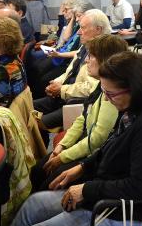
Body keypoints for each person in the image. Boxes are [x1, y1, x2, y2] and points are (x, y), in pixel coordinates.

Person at [7, 51, 142, 226]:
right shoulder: (135, 107)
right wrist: (82, 167)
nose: (106, 99)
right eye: (104, 92)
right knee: (32, 204)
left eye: (111, 94)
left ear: (134, 89)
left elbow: (139, 187)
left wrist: (86, 190)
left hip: (121, 211)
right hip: (106, 194)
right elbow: (110, 148)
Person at [30, 34, 128, 191]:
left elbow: (97, 139)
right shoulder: (101, 85)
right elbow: (83, 118)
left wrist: (63, 157)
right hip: (85, 145)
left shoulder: (113, 95)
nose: (87, 60)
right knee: (36, 171)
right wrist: (61, 146)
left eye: (91, 56)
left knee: (46, 180)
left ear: (106, 60)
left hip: (94, 158)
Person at [33, 9, 111, 131]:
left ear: (98, 29)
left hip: (79, 103)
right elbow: (69, 72)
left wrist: (62, 89)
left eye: (83, 28)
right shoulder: (86, 46)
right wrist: (57, 83)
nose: (79, 32)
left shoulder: (104, 53)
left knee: (37, 124)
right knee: (28, 108)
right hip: (65, 95)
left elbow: (92, 88)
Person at [27, 0, 92, 99]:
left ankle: (36, 98)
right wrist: (73, 19)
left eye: (79, 15)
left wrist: (59, 55)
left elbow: (77, 53)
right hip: (63, 57)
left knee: (43, 77)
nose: (78, 19)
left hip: (66, 60)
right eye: (76, 15)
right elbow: (66, 38)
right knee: (36, 68)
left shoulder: (86, 31)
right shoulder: (78, 26)